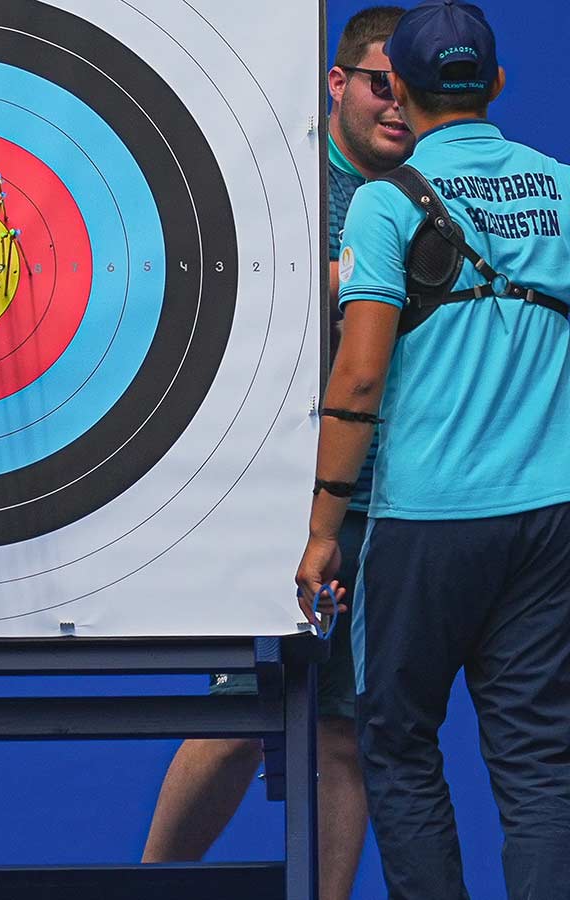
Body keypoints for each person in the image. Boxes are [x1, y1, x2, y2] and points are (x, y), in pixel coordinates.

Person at [296, 1, 570, 897]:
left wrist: (322, 529)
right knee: (537, 760)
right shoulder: (562, 189)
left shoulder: (384, 202)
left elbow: (360, 378)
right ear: (494, 84)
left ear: (403, 94)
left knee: (398, 741)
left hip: (426, 524)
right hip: (550, 518)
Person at [143, 9, 414, 899]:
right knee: (236, 713)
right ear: (336, 83)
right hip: (277, 498)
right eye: (380, 84)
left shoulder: (425, 190)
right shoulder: (288, 185)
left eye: (412, 91)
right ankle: (156, 884)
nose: (397, 108)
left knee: (345, 727)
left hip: (390, 498)